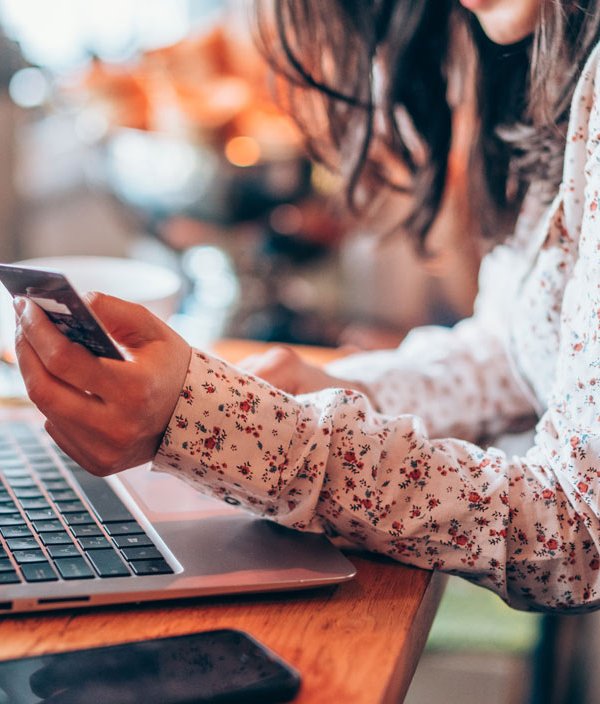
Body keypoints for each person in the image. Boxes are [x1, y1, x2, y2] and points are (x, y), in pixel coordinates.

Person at [13, 0, 600, 612]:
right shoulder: (555, 57)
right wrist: (330, 390)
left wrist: (218, 428)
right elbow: (514, 349)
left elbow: (582, 542)